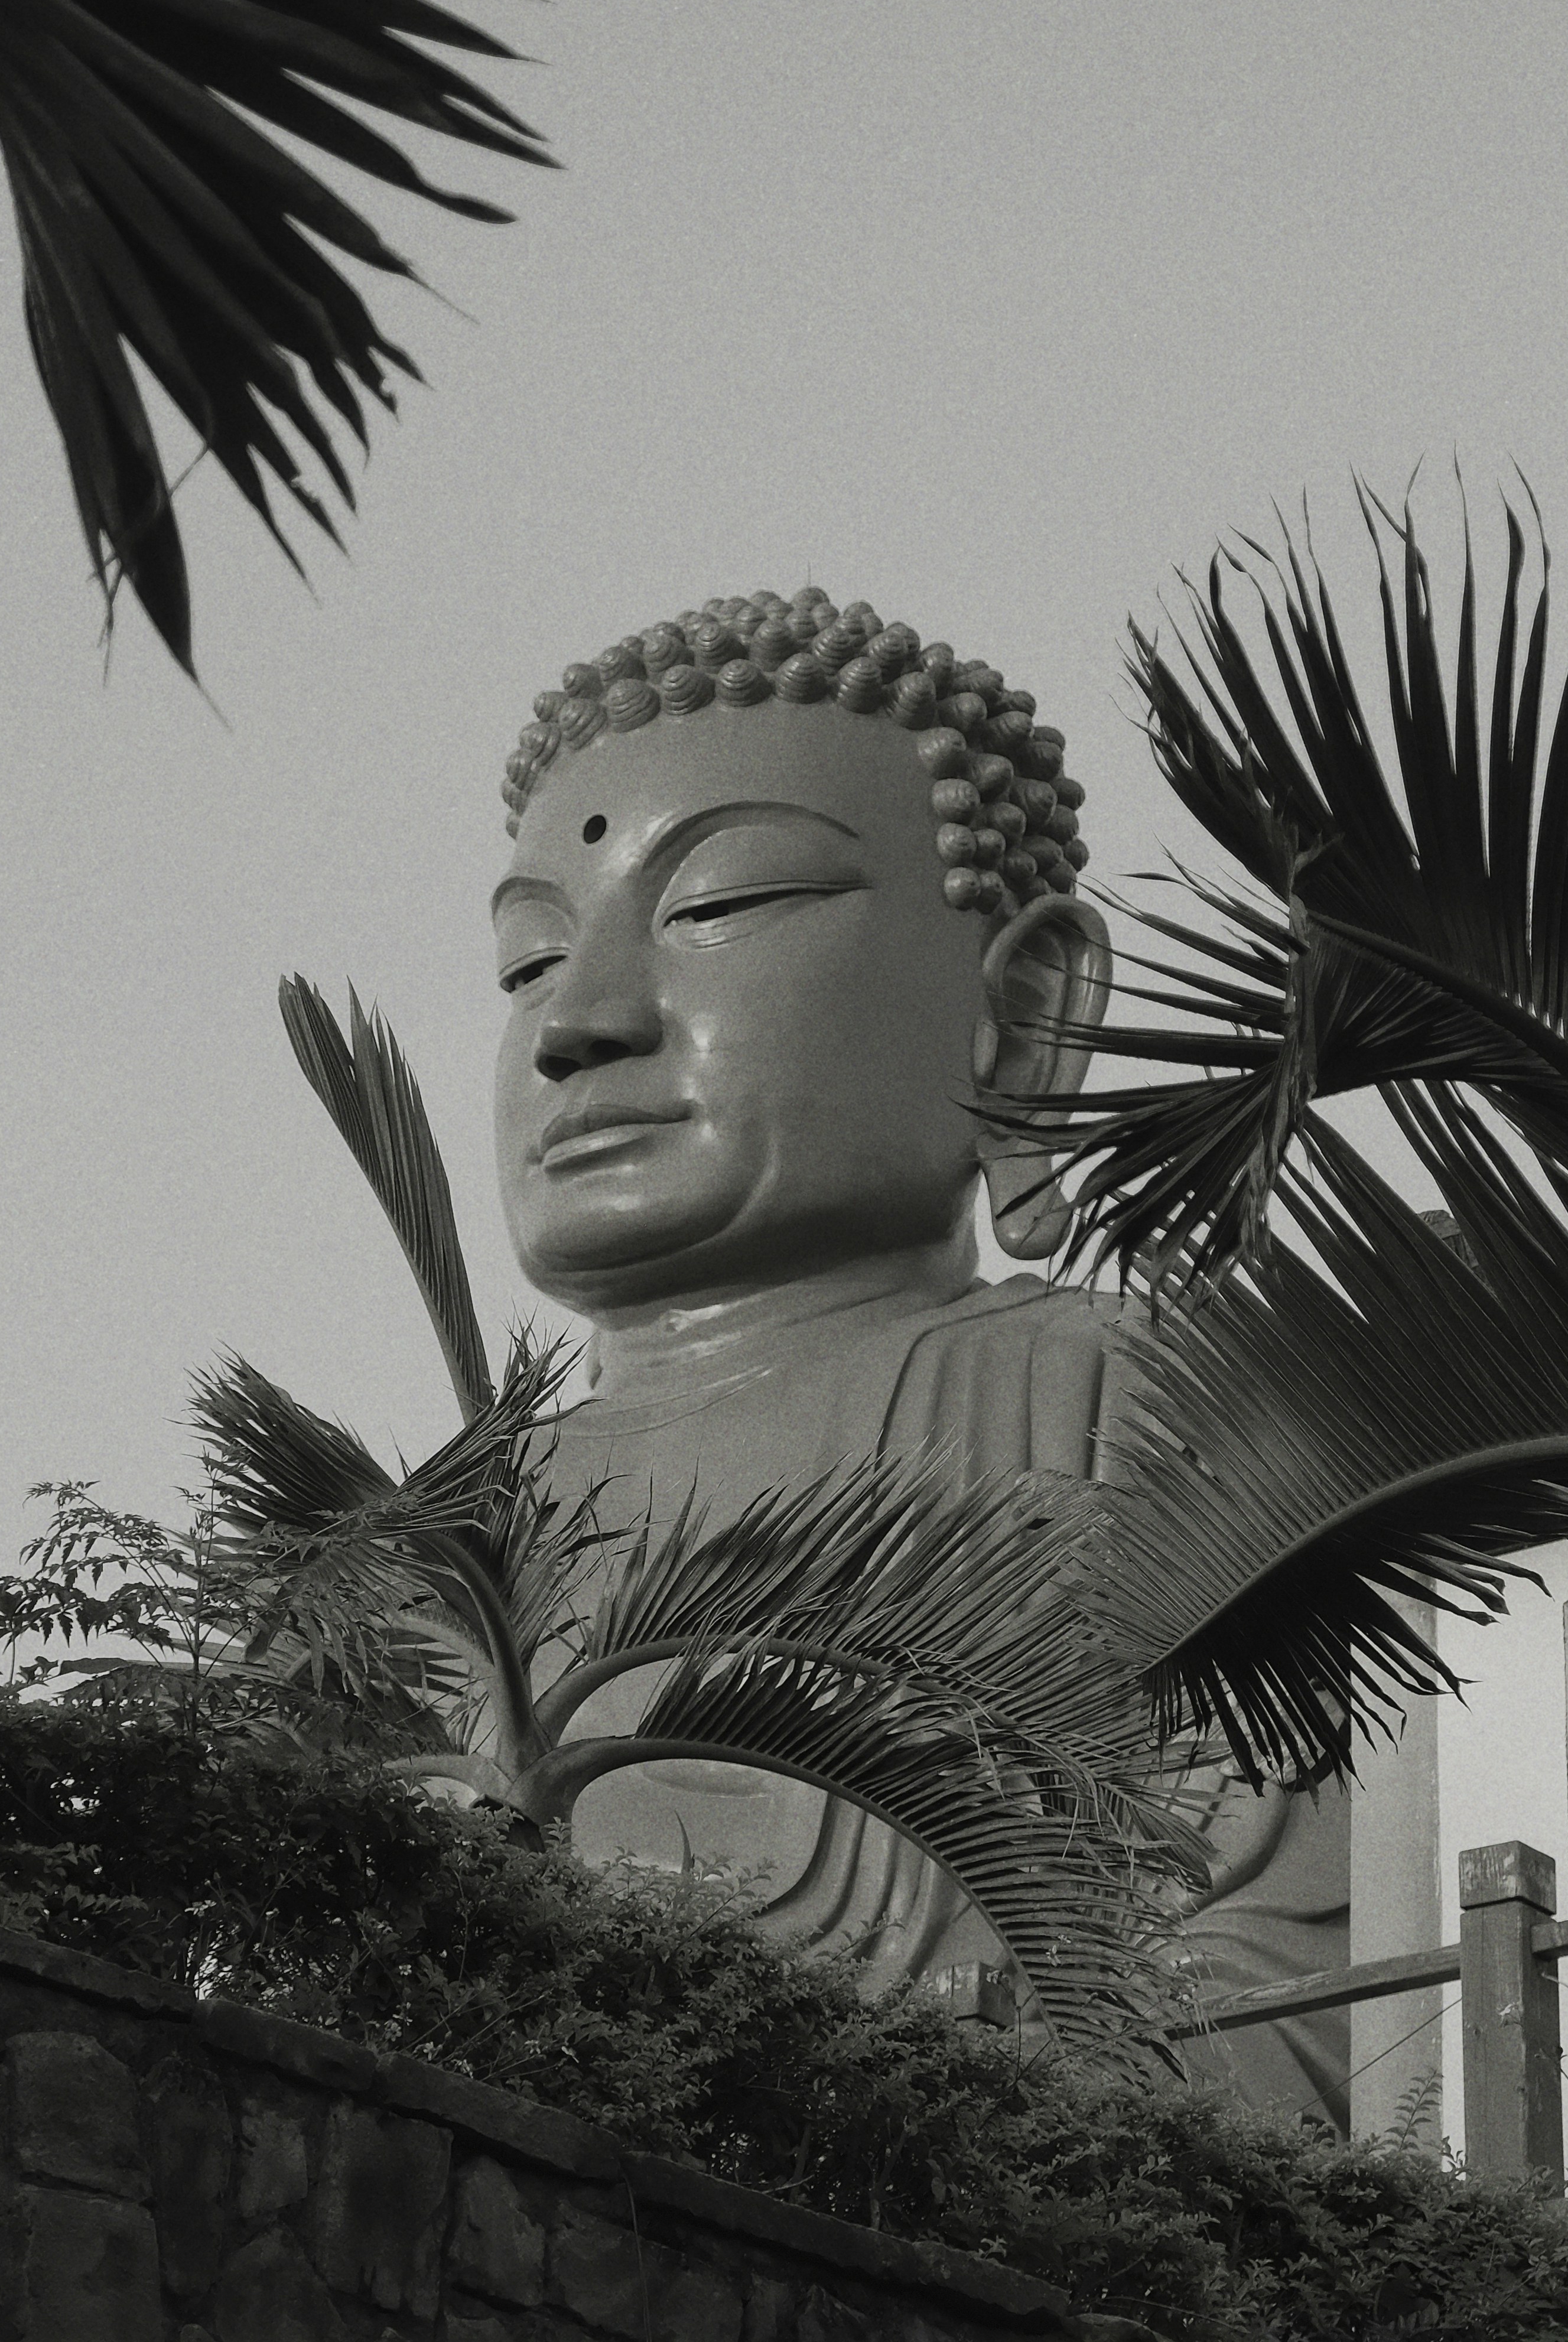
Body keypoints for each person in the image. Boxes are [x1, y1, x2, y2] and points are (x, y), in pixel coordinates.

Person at [484, 587, 1352, 2123]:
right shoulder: (420, 1543)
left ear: (1025, 1010)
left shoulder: (1138, 1403)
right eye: (528, 962)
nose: (579, 1023)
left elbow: (1300, 1976)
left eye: (721, 903)